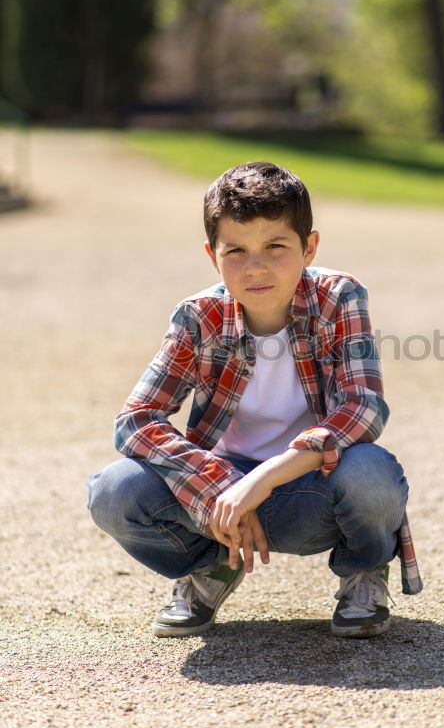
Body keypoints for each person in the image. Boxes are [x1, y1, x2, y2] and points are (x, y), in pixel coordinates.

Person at [87, 161, 422, 639]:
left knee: (371, 471)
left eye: (275, 247)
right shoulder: (198, 317)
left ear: (309, 247)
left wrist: (265, 478)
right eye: (237, 251)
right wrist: (219, 485)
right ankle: (211, 566)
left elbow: (363, 408)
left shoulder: (339, 298)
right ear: (212, 256)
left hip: (312, 490)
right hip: (221, 500)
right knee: (114, 491)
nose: (256, 267)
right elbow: (135, 420)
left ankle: (363, 571)